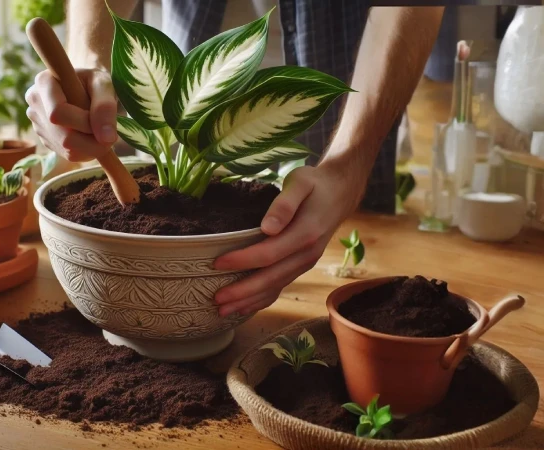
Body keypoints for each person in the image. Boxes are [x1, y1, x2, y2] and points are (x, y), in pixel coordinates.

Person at [25, 1, 444, 317]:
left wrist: (350, 164)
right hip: (197, 63)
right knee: (182, 136)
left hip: (349, 87)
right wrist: (88, 63)